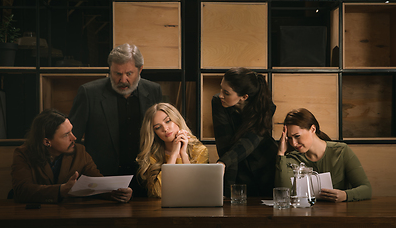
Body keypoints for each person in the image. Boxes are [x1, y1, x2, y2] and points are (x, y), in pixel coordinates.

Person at [69, 43, 162, 197]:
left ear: (140, 70)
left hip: (145, 178)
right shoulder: (89, 93)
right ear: (110, 70)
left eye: (129, 73)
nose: (122, 80)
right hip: (103, 180)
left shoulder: (153, 90)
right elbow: (72, 139)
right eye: (117, 73)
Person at [11, 109, 133, 203]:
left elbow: (97, 183)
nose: (74, 138)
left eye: (72, 131)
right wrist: (60, 190)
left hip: (70, 216)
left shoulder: (80, 151)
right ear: (47, 141)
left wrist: (117, 193)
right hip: (36, 217)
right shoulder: (24, 154)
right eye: (66, 135)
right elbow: (21, 190)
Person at [276, 108, 372, 202]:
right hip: (304, 214)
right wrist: (281, 153)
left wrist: (345, 195)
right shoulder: (292, 158)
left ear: (313, 129)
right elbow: (284, 194)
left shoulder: (341, 151)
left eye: (297, 136)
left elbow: (366, 189)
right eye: (289, 138)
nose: (294, 143)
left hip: (340, 214)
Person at [211, 67, 278, 197]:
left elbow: (251, 140)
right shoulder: (218, 102)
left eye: (226, 92)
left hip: (264, 163)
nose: (221, 95)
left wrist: (224, 162)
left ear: (244, 97)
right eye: (221, 89)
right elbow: (225, 143)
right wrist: (229, 188)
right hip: (235, 165)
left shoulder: (265, 106)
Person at [136, 103, 209, 198]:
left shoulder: (199, 150)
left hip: (194, 208)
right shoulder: (152, 155)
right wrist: (173, 155)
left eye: (168, 121)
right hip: (161, 210)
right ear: (154, 133)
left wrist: (184, 155)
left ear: (177, 119)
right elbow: (159, 193)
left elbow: (196, 190)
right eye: (158, 127)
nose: (165, 129)